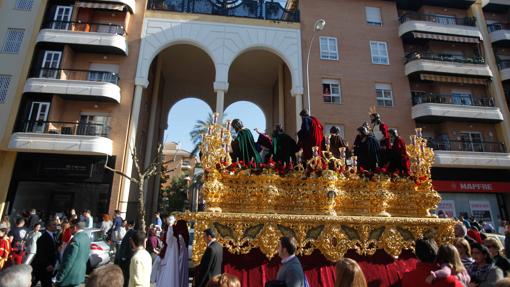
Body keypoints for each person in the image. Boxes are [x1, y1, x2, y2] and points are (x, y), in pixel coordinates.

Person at [55, 219, 91, 287]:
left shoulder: (75, 239)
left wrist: (60, 277)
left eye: (70, 227)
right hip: (79, 275)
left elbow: (69, 261)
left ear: (74, 228)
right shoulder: (86, 237)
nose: (68, 230)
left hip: (69, 278)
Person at [31, 221, 58, 287]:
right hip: (43, 267)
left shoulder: (52, 236)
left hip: (48, 266)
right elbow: (41, 253)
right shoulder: (43, 238)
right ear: (48, 227)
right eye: (53, 225)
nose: (56, 226)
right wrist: (48, 265)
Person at [155, 216, 179, 287]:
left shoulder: (171, 231)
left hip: (168, 253)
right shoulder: (172, 231)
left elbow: (168, 240)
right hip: (168, 252)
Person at [115, 220, 136, 287]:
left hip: (126, 257)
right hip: (126, 256)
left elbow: (128, 246)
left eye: (126, 224)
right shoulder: (130, 232)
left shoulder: (131, 232)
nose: (125, 226)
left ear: (129, 225)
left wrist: (123, 256)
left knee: (125, 274)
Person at [174, 220, 189, 287]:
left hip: (180, 255)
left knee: (179, 273)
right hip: (185, 255)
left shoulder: (179, 235)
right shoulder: (186, 233)